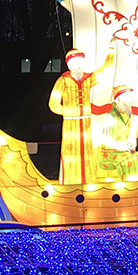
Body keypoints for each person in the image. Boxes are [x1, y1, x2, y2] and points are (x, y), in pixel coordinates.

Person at [48, 44, 114, 184]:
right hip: (71, 124)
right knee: (71, 152)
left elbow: (106, 70)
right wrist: (69, 111)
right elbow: (53, 104)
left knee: (86, 152)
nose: (77, 65)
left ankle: (88, 180)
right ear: (69, 64)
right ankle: (70, 181)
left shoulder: (88, 79)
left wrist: (111, 49)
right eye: (74, 62)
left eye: (80, 61)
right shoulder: (63, 80)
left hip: (85, 122)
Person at [95, 85, 138, 181]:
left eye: (129, 97)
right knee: (130, 161)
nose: (127, 100)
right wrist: (122, 146)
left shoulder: (131, 117)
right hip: (109, 154)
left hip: (125, 151)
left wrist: (131, 146)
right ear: (117, 100)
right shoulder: (110, 116)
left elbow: (132, 136)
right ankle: (130, 187)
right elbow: (105, 139)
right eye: (124, 97)